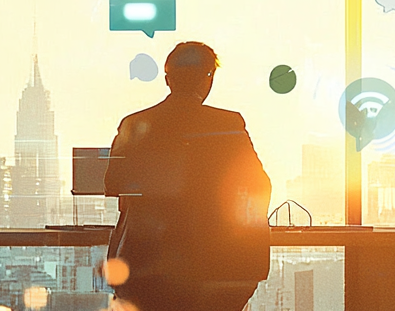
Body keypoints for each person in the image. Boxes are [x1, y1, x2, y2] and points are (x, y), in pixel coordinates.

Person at [101, 42, 271, 311]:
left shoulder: (135, 124)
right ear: (209, 78)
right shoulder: (227, 124)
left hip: (144, 264)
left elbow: (113, 183)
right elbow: (259, 185)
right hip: (216, 265)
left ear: (167, 79)